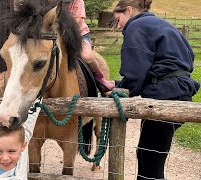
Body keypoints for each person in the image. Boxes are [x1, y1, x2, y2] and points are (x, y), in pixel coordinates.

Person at [112, 0, 200, 179]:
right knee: (149, 155)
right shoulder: (162, 24)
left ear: (129, 10)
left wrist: (121, 88)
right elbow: (188, 56)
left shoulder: (136, 26)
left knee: (150, 161)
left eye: (118, 18)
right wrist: (117, 83)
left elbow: (135, 74)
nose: (118, 24)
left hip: (165, 96)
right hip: (180, 92)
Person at [63, 0, 115, 93]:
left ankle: (100, 80)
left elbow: (76, 21)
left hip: (78, 35)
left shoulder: (77, 1)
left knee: (87, 57)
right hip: (57, 36)